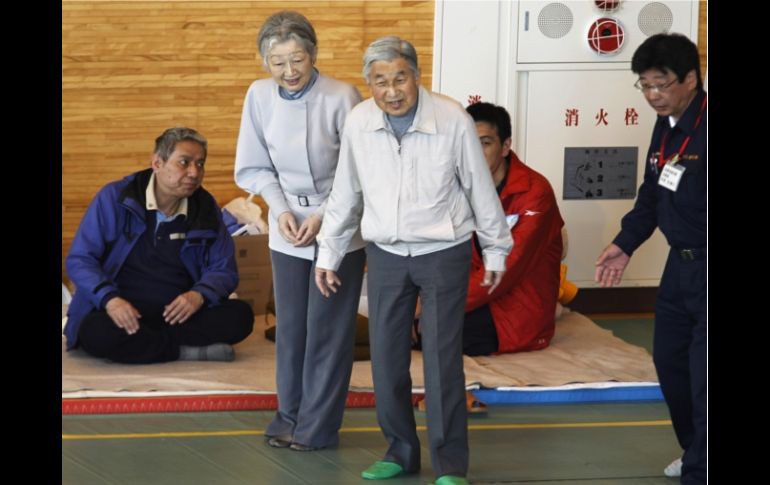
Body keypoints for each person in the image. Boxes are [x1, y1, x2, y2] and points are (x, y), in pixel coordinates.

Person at [314, 36, 512, 485]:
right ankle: (401, 451)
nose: (391, 90)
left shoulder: (452, 119)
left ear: (417, 76)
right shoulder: (360, 122)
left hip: (444, 251)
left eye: (399, 78)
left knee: (443, 360)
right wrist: (329, 252)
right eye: (379, 81)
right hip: (385, 253)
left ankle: (450, 464)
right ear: (369, 84)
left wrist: (497, 246)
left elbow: (480, 187)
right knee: (386, 358)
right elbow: (346, 193)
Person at [233, 11, 366, 452]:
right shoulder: (258, 95)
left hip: (339, 224)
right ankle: (288, 416)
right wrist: (280, 208)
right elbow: (253, 165)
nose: (289, 72)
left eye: (297, 60)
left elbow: (357, 170)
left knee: (327, 329)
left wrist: (324, 215)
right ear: (263, 61)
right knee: (291, 329)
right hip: (286, 225)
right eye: (277, 62)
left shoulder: (341, 95)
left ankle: (318, 426)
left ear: (313, 55)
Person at [594, 33, 706, 485]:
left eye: (662, 84)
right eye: (645, 85)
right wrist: (625, 243)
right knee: (671, 363)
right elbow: (654, 194)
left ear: (691, 79)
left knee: (703, 376)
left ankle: (700, 469)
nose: (654, 96)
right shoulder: (666, 126)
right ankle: (695, 448)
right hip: (679, 269)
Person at [65, 127, 254, 364]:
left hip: (178, 312)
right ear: (157, 163)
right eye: (184, 162)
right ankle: (184, 352)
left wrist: (199, 295)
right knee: (95, 331)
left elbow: (224, 269)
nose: (194, 172)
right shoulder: (116, 198)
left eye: (200, 164)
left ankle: (148, 344)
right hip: (124, 308)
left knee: (240, 317)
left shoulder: (206, 209)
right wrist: (110, 300)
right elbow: (80, 260)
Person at [462, 101, 565, 356]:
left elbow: (508, 266)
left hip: (516, 306)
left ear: (506, 146)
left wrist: (437, 306)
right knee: (403, 323)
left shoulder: (535, 191)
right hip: (472, 293)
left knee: (437, 332)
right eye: (468, 144)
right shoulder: (458, 183)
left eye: (485, 143)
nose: (475, 152)